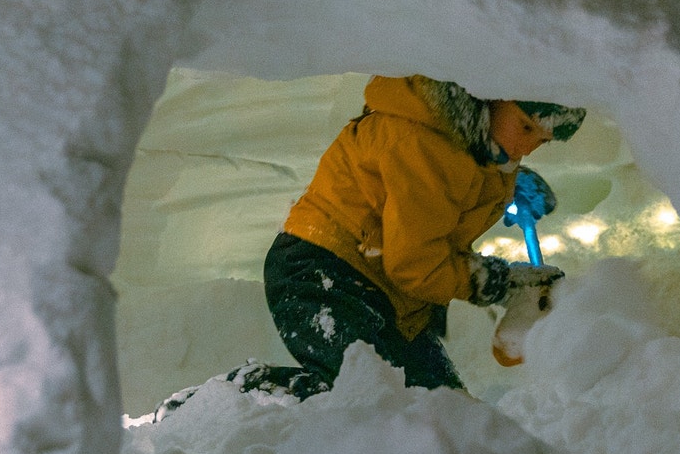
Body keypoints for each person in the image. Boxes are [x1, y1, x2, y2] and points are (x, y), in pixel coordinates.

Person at [250, 74, 585, 399]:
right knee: (376, 397)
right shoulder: (423, 144)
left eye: (541, 140)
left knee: (445, 413)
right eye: (525, 126)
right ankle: (245, 397)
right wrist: (493, 282)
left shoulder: (478, 148)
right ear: (488, 96)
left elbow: (445, 196)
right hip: (325, 269)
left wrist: (507, 187)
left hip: (388, 292)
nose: (526, 146)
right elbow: (414, 262)